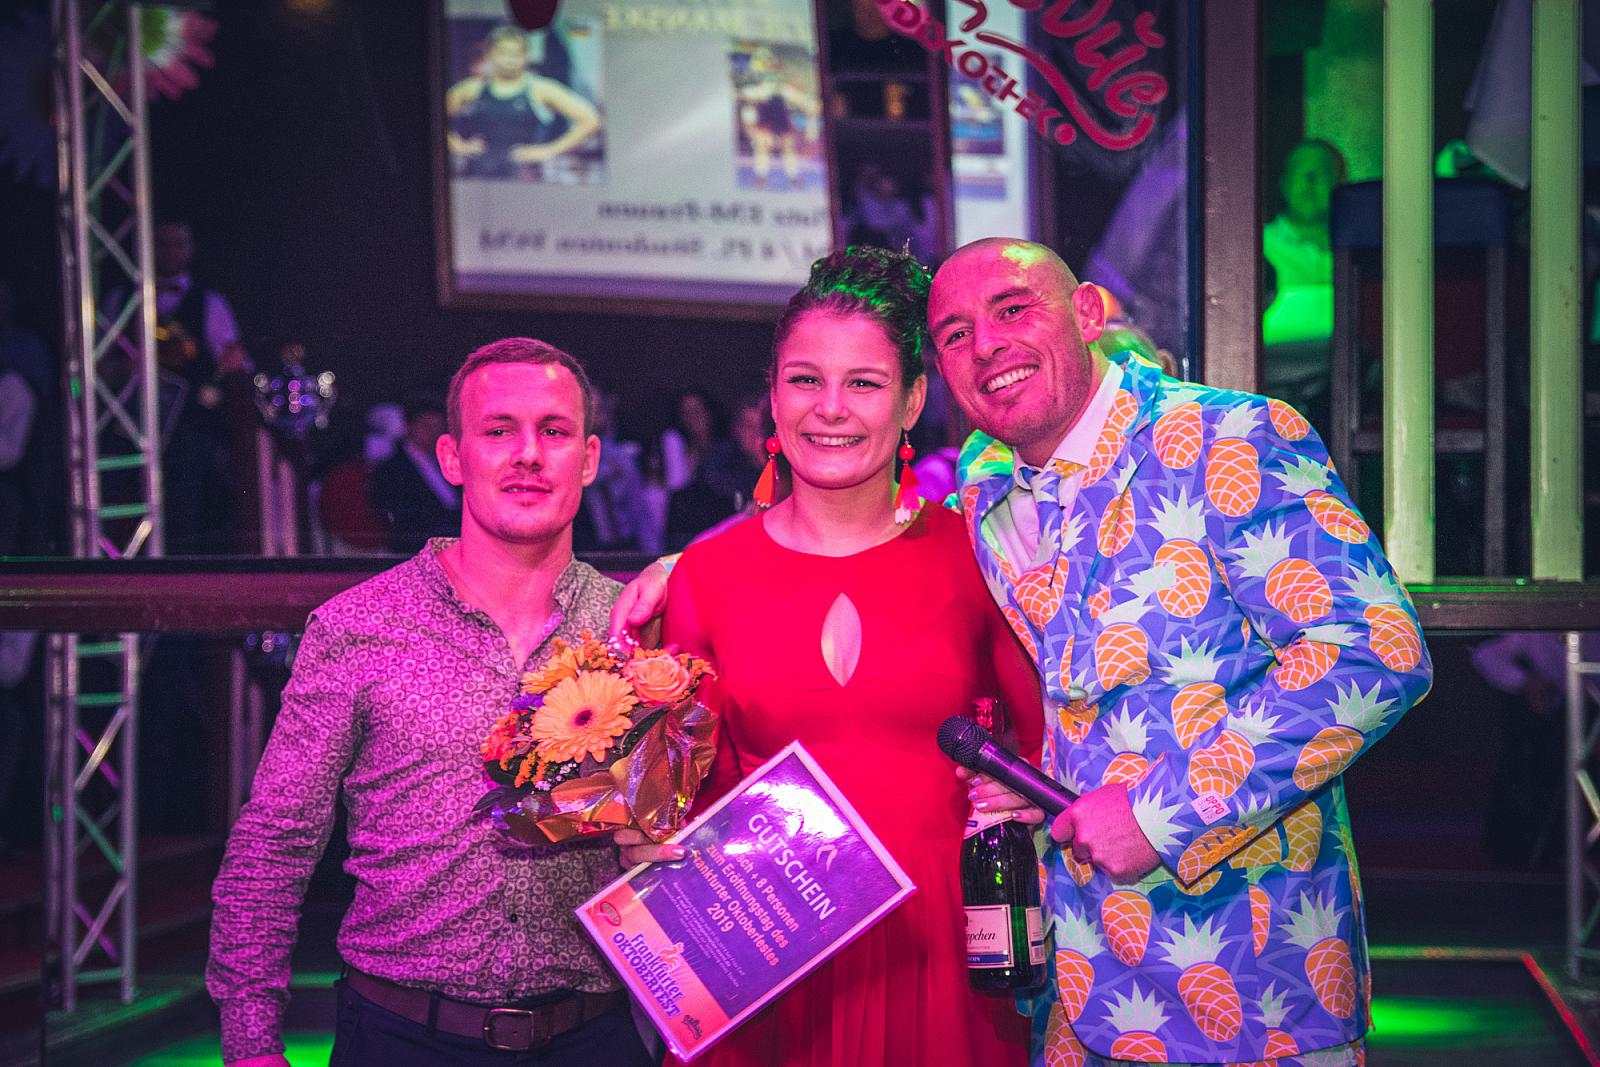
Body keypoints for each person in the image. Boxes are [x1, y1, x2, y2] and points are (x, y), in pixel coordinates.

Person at [616, 239, 1433, 1066]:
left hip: (1244, 989)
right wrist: (686, 567)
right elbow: (841, 559)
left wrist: (1161, 812)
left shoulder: (1228, 436)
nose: (989, 346)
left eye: (1014, 309)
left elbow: (1378, 652)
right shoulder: (988, 486)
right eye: (956, 333)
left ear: (1088, 314)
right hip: (1060, 995)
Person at [616, 246, 1043, 1067]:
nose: (832, 408)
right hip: (771, 966)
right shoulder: (704, 575)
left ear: (913, 400)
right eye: (806, 379)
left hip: (942, 959)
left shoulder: (979, 556)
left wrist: (1023, 792)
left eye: (865, 383)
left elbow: (1046, 745)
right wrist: (643, 840)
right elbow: (681, 798)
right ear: (773, 400)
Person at [207, 338, 655, 1066]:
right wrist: (251, 1040)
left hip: (593, 1036)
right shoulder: (360, 626)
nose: (528, 454)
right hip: (400, 1036)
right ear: (452, 457)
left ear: (589, 458)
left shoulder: (634, 627)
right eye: (499, 430)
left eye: (554, 431)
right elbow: (275, 840)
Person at [447, 25, 602, 181]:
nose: (510, 59)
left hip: (525, 177)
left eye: (517, 53)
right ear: (490, 53)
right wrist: (458, 146)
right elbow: (433, 117)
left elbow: (591, 120)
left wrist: (549, 150)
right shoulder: (472, 89)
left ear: (527, 54)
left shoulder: (541, 89)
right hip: (477, 177)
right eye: (504, 52)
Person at [369, 393, 461, 554]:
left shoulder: (450, 462)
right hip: (415, 551)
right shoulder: (392, 471)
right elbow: (400, 522)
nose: (432, 433)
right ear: (408, 426)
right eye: (425, 427)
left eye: (437, 427)